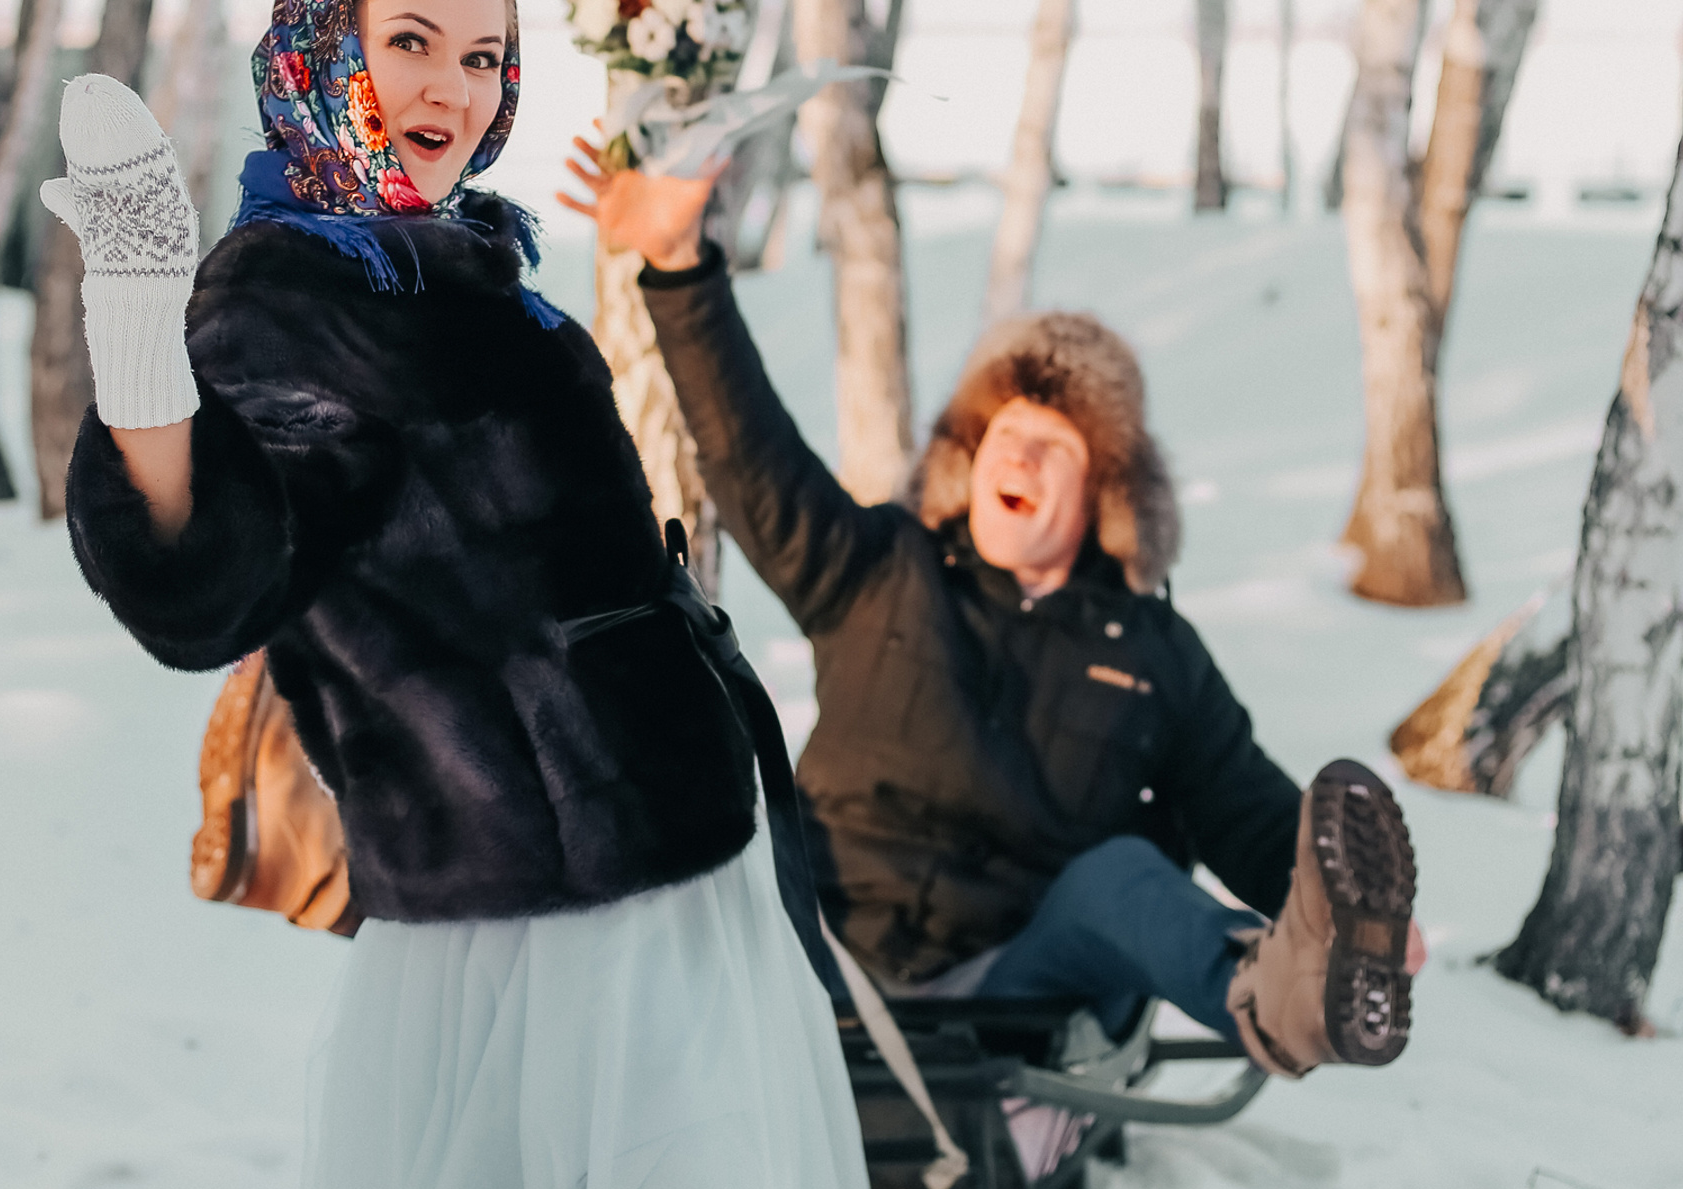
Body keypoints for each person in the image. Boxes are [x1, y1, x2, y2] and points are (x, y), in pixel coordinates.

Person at [41, 0, 887, 1189]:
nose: (451, 85)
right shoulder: (290, 297)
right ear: (322, 49)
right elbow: (216, 581)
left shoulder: (478, 266)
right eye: (411, 41)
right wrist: (139, 343)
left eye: (486, 57)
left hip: (675, 873)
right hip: (533, 931)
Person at [560, 149, 1422, 1083]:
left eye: (1053, 448)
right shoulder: (882, 569)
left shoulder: (1152, 651)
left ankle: (1286, 994)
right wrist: (681, 266)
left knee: (1122, 877)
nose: (1021, 460)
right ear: (971, 461)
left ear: (1103, 496)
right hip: (823, 969)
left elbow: (1248, 814)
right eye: (1006, 436)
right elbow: (753, 458)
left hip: (1017, 992)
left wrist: (1347, 922)